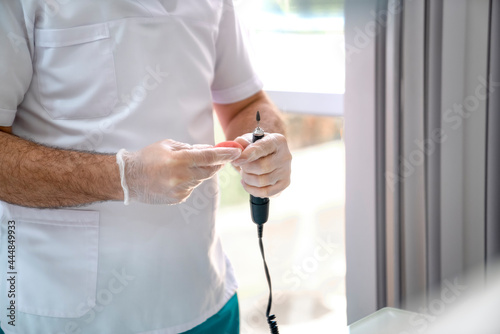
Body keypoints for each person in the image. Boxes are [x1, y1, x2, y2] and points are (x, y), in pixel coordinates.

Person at [0, 1, 292, 333]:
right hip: (60, 313)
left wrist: (265, 143)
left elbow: (248, 102)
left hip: (204, 299)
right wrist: (125, 176)